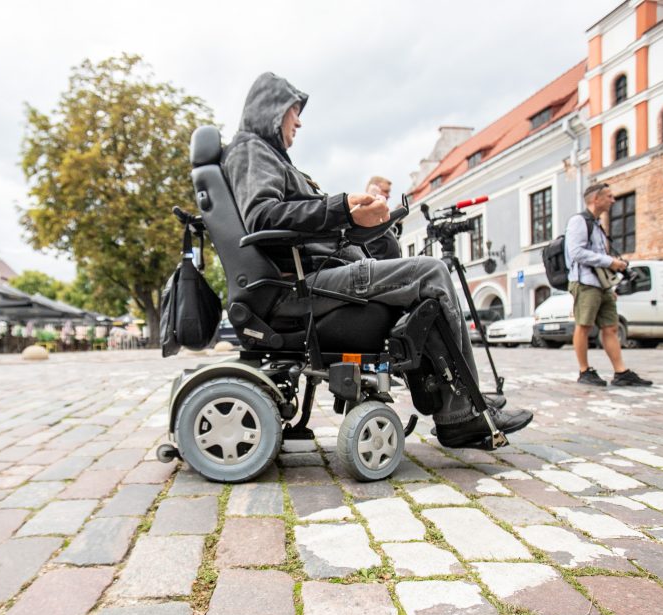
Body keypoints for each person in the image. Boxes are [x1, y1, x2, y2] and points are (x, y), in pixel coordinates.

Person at [222, 72, 532, 449]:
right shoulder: (251, 149)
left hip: (315, 275)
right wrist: (342, 210)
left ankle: (461, 403)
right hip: (303, 284)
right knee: (431, 273)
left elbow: (293, 216)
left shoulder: (266, 155)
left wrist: (362, 220)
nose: (299, 121)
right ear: (270, 112)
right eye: (293, 111)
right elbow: (264, 217)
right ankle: (462, 412)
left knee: (420, 287)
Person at [566, 182, 652, 387]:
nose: (613, 200)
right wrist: (611, 262)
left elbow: (598, 256)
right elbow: (576, 252)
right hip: (584, 283)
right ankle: (584, 371)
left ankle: (621, 372)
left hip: (601, 285)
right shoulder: (579, 221)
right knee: (584, 326)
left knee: (611, 327)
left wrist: (610, 284)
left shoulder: (597, 226)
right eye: (609, 196)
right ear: (596, 199)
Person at [363, 176, 403, 260]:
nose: (388, 196)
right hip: (378, 265)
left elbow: (386, 243)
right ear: (374, 189)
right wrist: (371, 197)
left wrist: (398, 224)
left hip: (389, 265)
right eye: (386, 191)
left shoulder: (380, 215)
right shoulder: (365, 211)